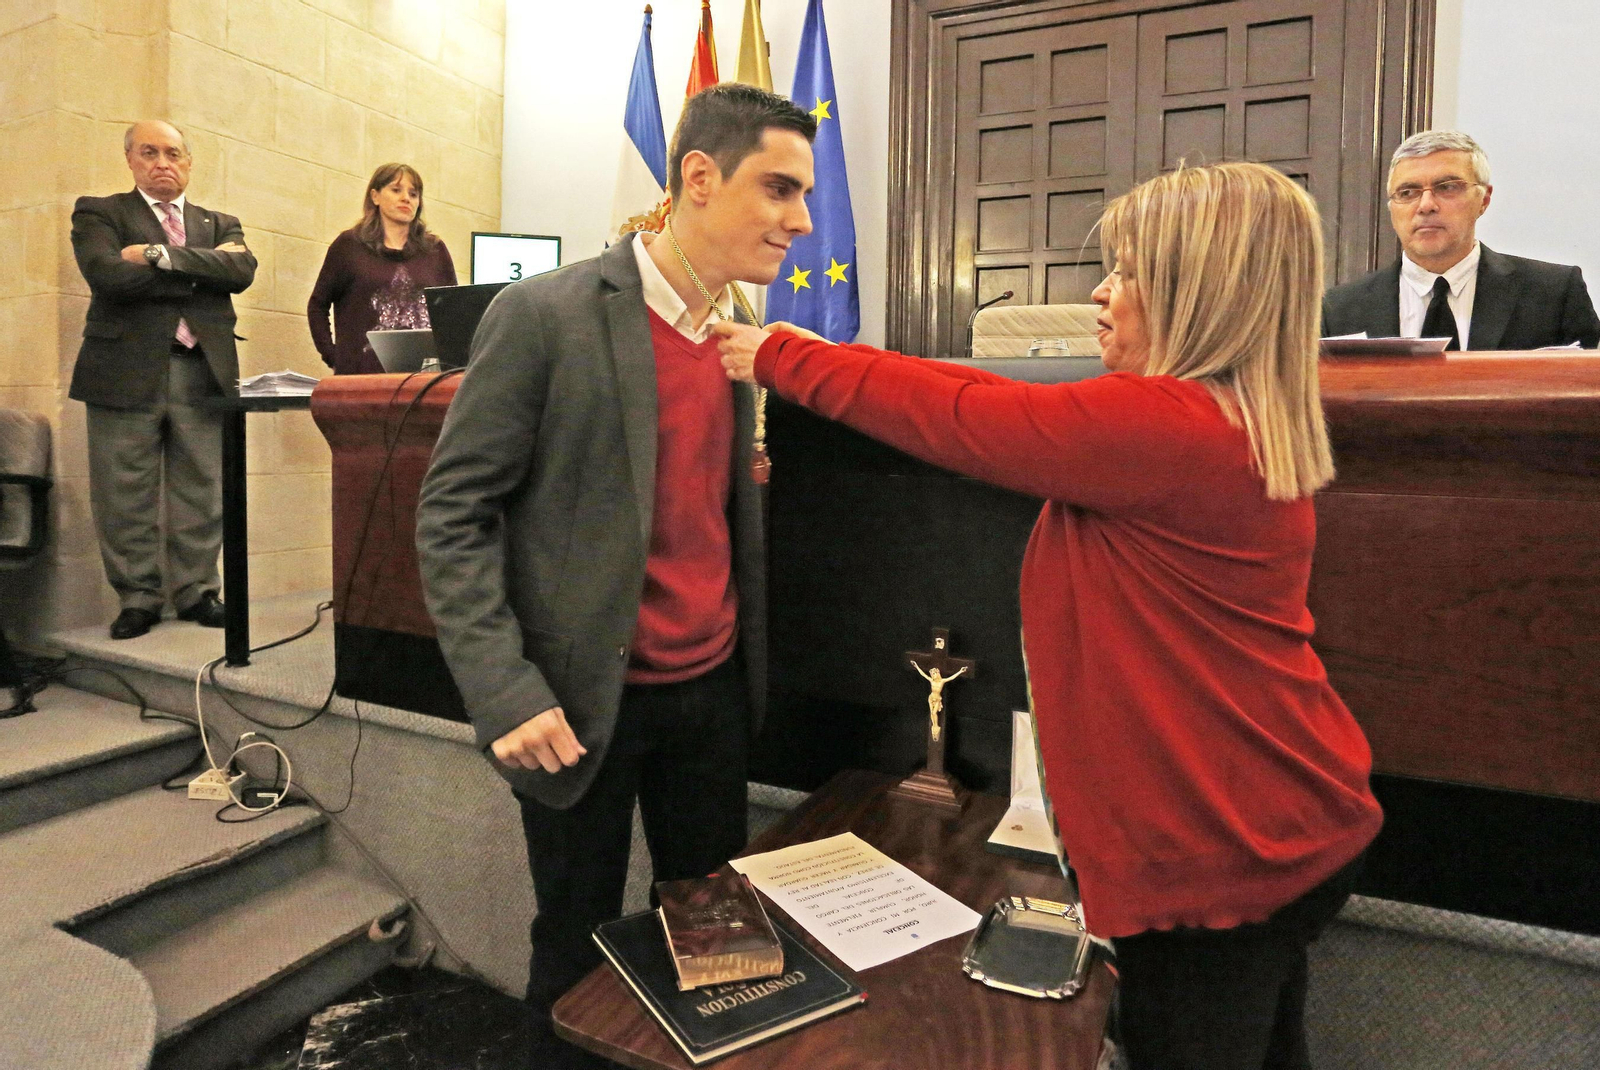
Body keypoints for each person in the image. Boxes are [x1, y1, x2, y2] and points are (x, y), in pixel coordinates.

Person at [716, 162, 1384, 1070]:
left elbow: (960, 411)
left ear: (1199, 296)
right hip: (1284, 814)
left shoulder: (1165, 425)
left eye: (1129, 273)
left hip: (1220, 846)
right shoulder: (1240, 413)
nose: (1101, 295)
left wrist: (777, 354)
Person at [414, 84, 816, 1069]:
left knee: (711, 947)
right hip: (577, 703)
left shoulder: (739, 338)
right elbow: (451, 515)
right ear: (698, 178)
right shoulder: (544, 313)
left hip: (711, 695)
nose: (802, 219)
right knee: (577, 952)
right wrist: (504, 688)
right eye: (778, 189)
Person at [69, 120, 256, 640]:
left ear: (189, 163)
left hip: (203, 370)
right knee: (123, 490)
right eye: (148, 152)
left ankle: (198, 591)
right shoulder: (100, 212)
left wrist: (157, 255)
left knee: (203, 485)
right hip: (123, 370)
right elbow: (107, 275)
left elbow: (241, 273)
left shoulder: (220, 222)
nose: (162, 162)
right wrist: (203, 270)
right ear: (130, 159)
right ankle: (138, 597)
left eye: (173, 153)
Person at [1323, 130, 1600, 349]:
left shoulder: (1553, 294)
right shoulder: (1338, 310)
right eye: (1407, 192)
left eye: (1447, 188)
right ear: (1391, 208)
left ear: (1484, 200)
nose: (1426, 205)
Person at [307, 163, 457, 375]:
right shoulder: (349, 245)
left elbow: (451, 314)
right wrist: (333, 356)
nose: (406, 198)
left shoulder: (435, 250)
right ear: (375, 196)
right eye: (396, 190)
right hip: (362, 376)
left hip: (424, 378)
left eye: (414, 194)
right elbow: (317, 306)